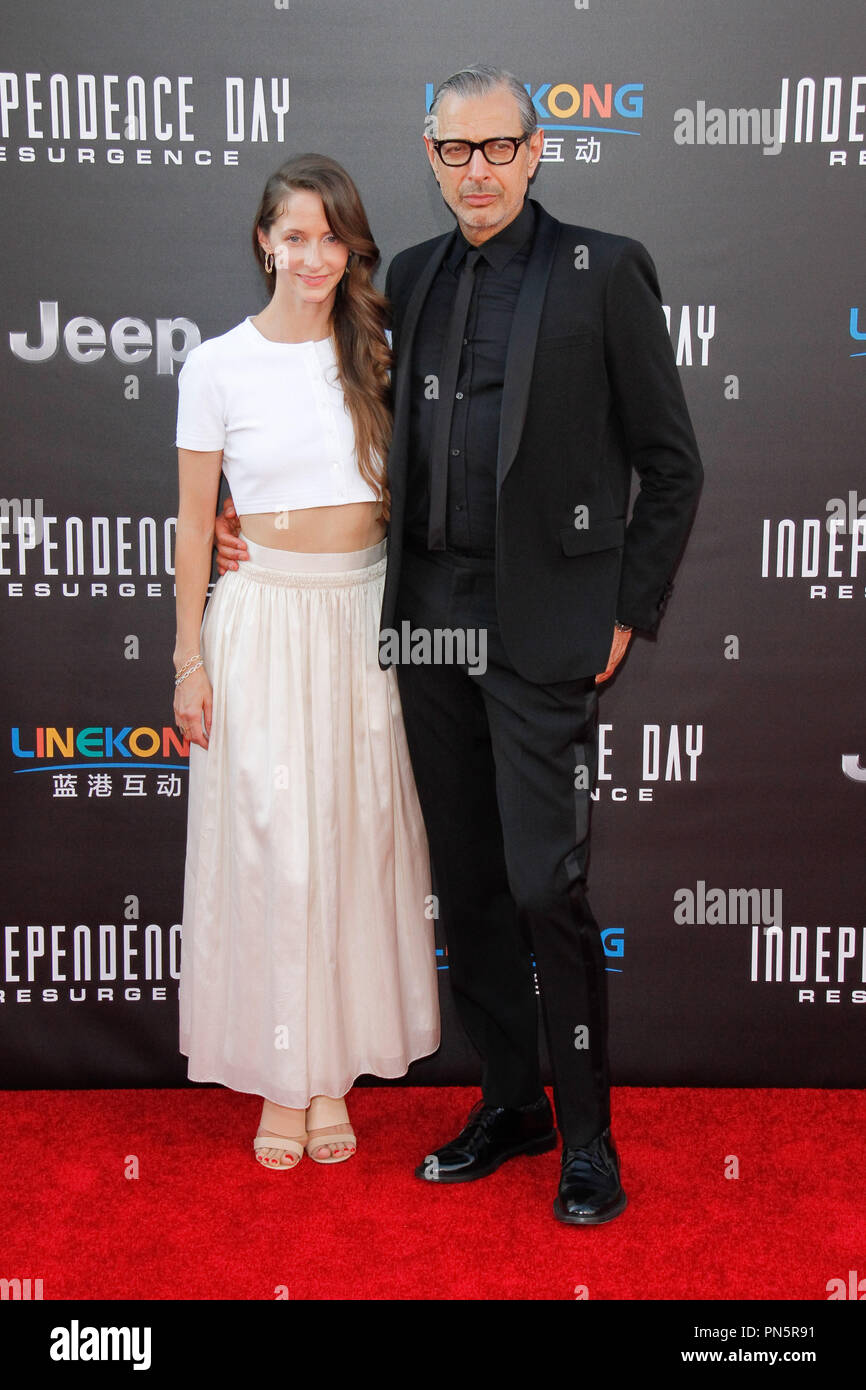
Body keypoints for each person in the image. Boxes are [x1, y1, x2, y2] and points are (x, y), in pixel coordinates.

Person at [215, 66, 702, 1222]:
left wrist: (624, 609)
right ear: (427, 154)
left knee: (545, 882)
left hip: (542, 633)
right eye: (453, 151)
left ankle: (587, 1137)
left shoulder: (603, 268)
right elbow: (327, 423)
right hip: (423, 622)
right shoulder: (414, 281)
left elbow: (670, 461)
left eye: (497, 149)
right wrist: (250, 522)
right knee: (471, 887)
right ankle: (509, 1102)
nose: (475, 171)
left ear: (537, 153)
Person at [173, 154, 439, 1173]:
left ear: (351, 248)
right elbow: (196, 524)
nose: (314, 255)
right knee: (273, 852)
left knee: (349, 848)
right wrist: (185, 657)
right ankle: (282, 1085)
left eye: (333, 237)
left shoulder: (377, 350)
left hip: (363, 622)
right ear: (262, 242)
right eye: (295, 234)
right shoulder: (215, 365)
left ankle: (330, 1075)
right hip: (262, 620)